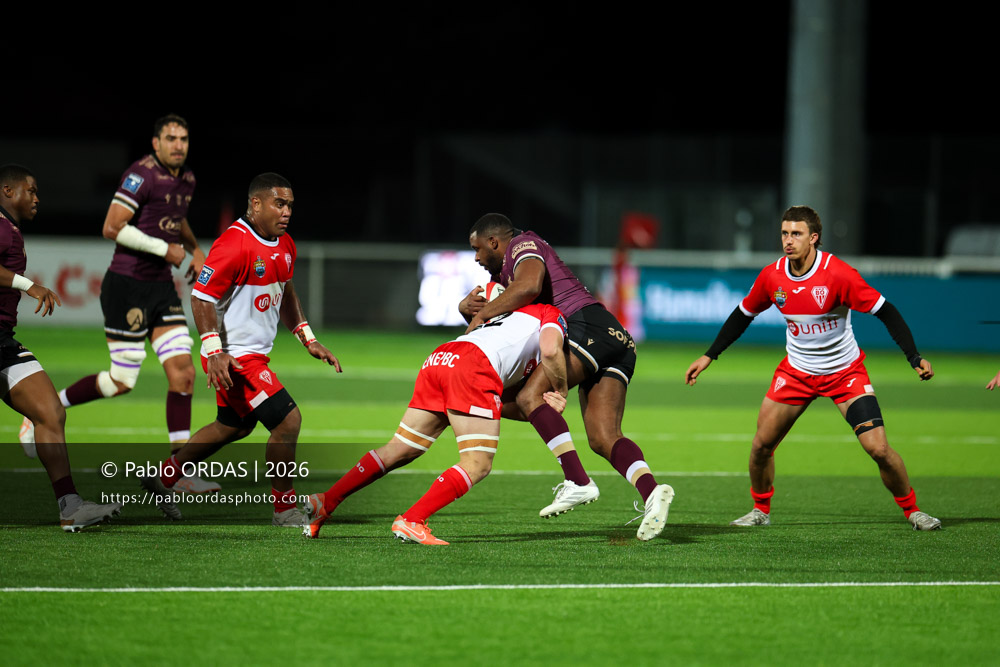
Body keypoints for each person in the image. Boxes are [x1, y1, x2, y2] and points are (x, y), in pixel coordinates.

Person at [684, 205, 941, 531]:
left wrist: (914, 357)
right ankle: (760, 510)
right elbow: (743, 314)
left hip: (844, 374)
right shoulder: (772, 276)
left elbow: (885, 311)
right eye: (784, 233)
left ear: (814, 238)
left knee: (878, 449)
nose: (788, 240)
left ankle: (913, 511)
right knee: (761, 446)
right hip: (796, 373)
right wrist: (710, 355)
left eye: (796, 234)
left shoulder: (838, 274)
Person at [19, 115, 217, 493]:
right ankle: (42, 410)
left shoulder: (187, 179)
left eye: (184, 138)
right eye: (171, 138)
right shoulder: (141, 175)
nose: (178, 145)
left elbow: (176, 219)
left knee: (184, 374)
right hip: (127, 287)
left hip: (161, 288)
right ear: (156, 143)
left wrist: (194, 249)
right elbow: (112, 227)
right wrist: (165, 249)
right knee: (122, 381)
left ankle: (177, 471)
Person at [140, 172, 341, 526]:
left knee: (233, 425)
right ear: (256, 204)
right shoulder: (234, 243)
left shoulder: (285, 244)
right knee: (288, 421)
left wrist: (308, 338)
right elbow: (201, 297)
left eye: (290, 205)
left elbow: (287, 293)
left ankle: (164, 478)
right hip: (233, 356)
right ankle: (285, 509)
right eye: (279, 204)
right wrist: (215, 350)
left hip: (250, 354)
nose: (287, 212)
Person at [459, 213, 674, 541]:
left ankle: (577, 480)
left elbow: (529, 286)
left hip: (586, 327)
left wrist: (483, 314)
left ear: (494, 242)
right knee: (603, 437)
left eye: (477, 249)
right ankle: (652, 492)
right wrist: (469, 311)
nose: (476, 258)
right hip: (613, 338)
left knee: (529, 397)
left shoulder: (522, 244)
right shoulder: (503, 275)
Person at [302, 298, 569, 544]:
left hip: (443, 356)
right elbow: (549, 349)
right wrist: (561, 390)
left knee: (400, 448)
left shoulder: (509, 313)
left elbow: (499, 399)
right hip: (473, 364)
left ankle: (325, 501)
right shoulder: (550, 312)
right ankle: (412, 519)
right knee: (477, 463)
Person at [1, 164, 122, 531]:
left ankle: (70, 507)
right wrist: (29, 285)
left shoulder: (11, 230)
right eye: (31, 190)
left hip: (3, 342)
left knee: (50, 413)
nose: (37, 198)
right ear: (8, 191)